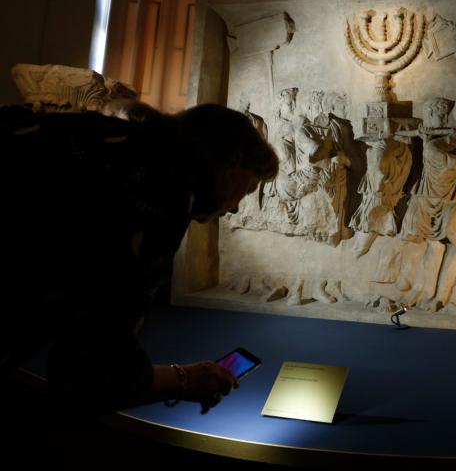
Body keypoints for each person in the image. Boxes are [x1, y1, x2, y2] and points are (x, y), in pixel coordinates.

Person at [0, 102, 279, 415]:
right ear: (232, 162)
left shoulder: (114, 141)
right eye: (249, 188)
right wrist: (185, 380)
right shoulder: (161, 190)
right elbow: (91, 373)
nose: (236, 208)